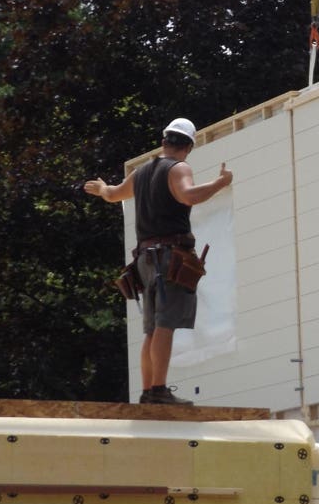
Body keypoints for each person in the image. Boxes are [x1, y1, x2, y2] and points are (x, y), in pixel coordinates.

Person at [83, 117, 233, 405]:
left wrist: (102, 189)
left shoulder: (140, 173)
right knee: (165, 325)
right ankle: (158, 391)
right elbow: (188, 196)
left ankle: (149, 391)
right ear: (188, 147)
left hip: (145, 260)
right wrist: (220, 183)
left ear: (164, 141)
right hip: (170, 258)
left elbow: (113, 194)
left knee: (151, 330)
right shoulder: (178, 168)